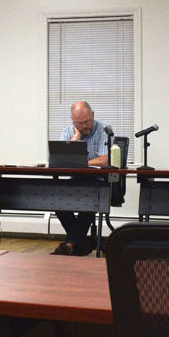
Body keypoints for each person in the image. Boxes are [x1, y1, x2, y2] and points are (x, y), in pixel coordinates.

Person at [52, 101, 110, 256]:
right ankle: (81, 242)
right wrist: (76, 136)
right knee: (56, 200)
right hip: (75, 181)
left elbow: (104, 160)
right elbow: (61, 160)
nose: (85, 126)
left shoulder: (104, 129)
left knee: (89, 202)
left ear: (93, 115)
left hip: (98, 182)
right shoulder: (67, 132)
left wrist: (80, 163)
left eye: (87, 122)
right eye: (80, 123)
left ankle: (70, 244)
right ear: (72, 120)